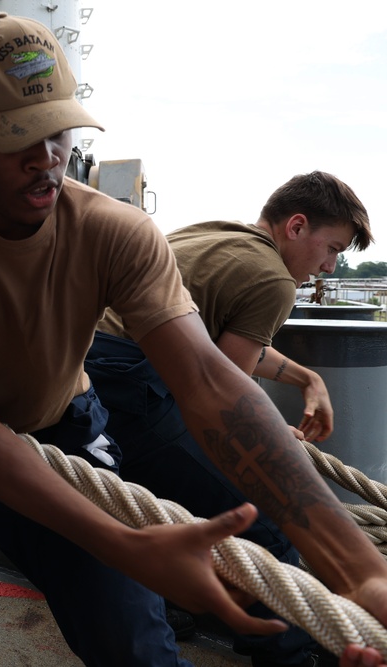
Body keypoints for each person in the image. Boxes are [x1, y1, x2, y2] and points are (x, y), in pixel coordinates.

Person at [0, 13, 387, 667]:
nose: (46, 160)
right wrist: (124, 545)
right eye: (18, 138)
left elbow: (212, 384)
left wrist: (356, 569)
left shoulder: (113, 230)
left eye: (57, 132)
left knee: (139, 652)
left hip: (70, 440)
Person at [86, 172, 373, 666]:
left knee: (159, 499)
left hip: (90, 374)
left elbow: (223, 348)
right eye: (332, 249)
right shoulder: (273, 279)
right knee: (265, 515)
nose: (328, 267)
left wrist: (307, 379)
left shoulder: (216, 235)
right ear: (297, 227)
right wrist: (260, 435)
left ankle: (169, 600)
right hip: (131, 384)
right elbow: (225, 392)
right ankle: (287, 653)